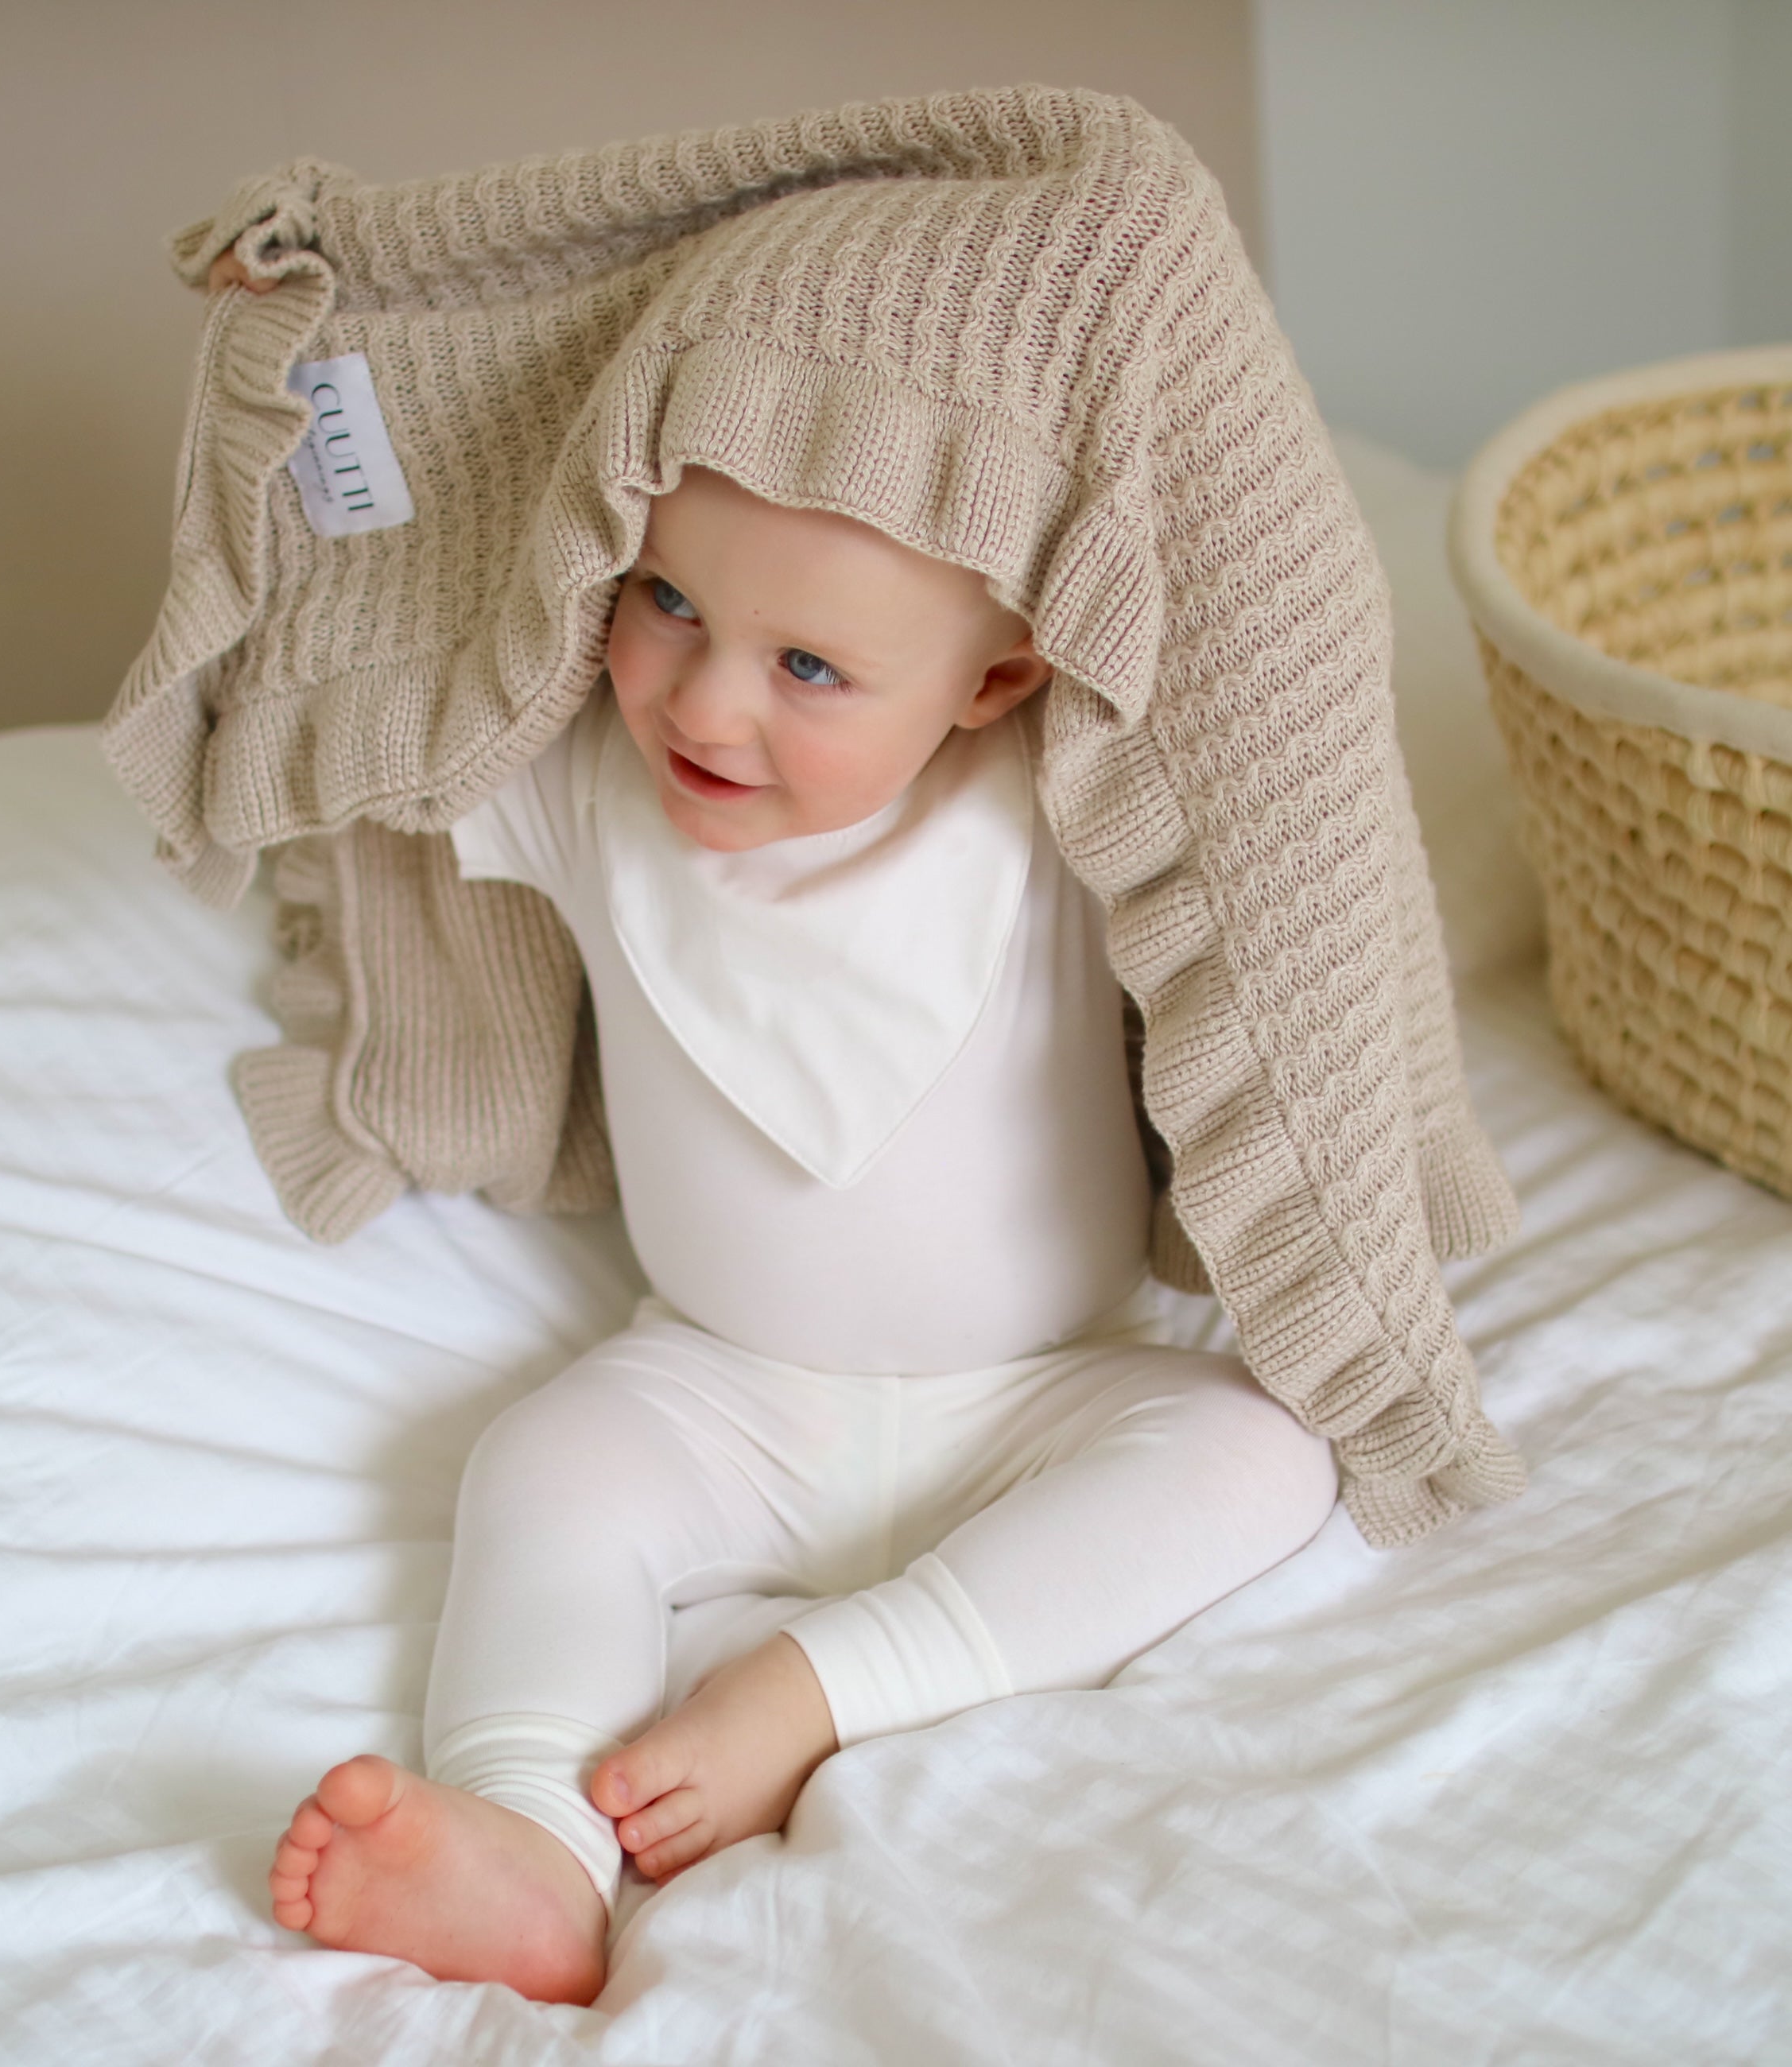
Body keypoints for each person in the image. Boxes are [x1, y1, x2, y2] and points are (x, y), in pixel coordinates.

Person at [113, 98, 1522, 2010]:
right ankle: (528, 1827)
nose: (702, 697)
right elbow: (406, 569)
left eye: (811, 670)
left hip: (1044, 1387)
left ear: (998, 683)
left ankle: (831, 1687)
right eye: (666, 602)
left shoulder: (1044, 803)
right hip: (719, 1387)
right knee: (545, 1470)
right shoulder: (581, 774)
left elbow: (1266, 744)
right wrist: (323, 334)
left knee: (1258, 1448)